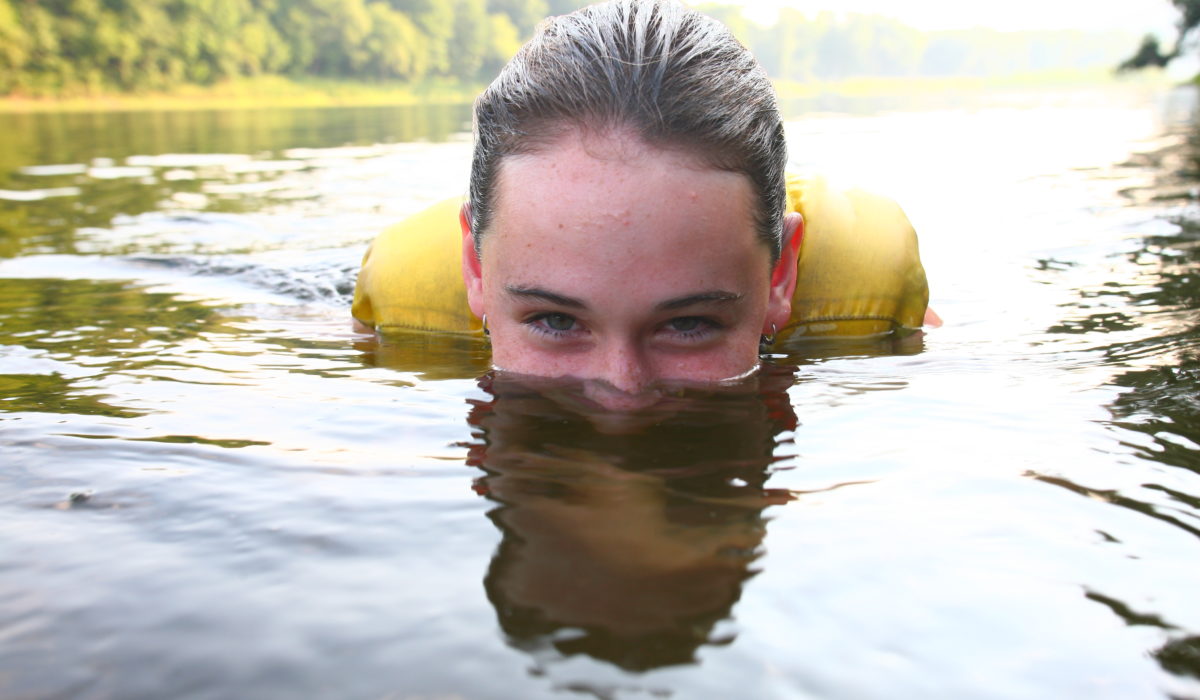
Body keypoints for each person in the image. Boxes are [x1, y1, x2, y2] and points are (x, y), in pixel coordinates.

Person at [352, 0, 934, 410]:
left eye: (688, 324)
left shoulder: (869, 315)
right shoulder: (405, 315)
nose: (622, 392)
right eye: (555, 321)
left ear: (781, 275)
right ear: (474, 267)